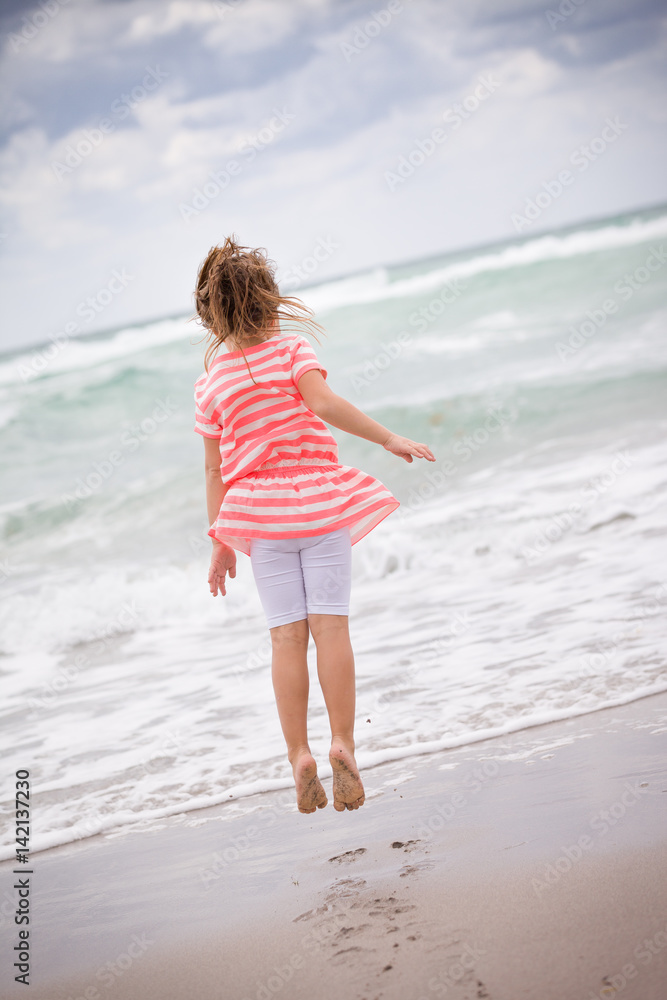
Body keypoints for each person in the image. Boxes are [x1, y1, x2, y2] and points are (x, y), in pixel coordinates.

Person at [192, 236, 435, 815]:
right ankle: (343, 743)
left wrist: (221, 539)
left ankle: (299, 753)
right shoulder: (293, 351)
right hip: (321, 504)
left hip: (262, 518)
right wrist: (389, 438)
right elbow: (324, 406)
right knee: (332, 630)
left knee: (285, 636)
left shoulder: (210, 385)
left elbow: (214, 468)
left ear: (211, 313)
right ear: (271, 301)